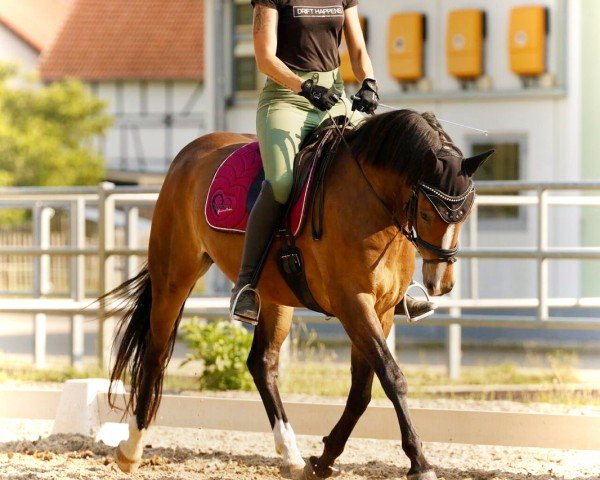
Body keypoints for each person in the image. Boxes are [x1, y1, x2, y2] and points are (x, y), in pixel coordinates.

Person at [230, 0, 435, 324]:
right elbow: (264, 58)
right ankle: (247, 284)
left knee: (381, 166)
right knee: (281, 183)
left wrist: (368, 82)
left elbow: (357, 49)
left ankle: (400, 286)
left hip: (333, 99)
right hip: (287, 100)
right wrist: (304, 87)